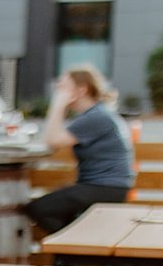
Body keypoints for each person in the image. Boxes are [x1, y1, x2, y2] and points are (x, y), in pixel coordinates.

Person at [24, 64, 134, 233]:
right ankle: (73, 251)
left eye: (63, 87)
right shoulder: (96, 114)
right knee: (58, 211)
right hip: (105, 187)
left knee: (38, 208)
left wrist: (58, 105)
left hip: (105, 188)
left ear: (81, 89)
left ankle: (72, 249)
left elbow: (52, 140)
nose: (58, 90)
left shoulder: (96, 117)